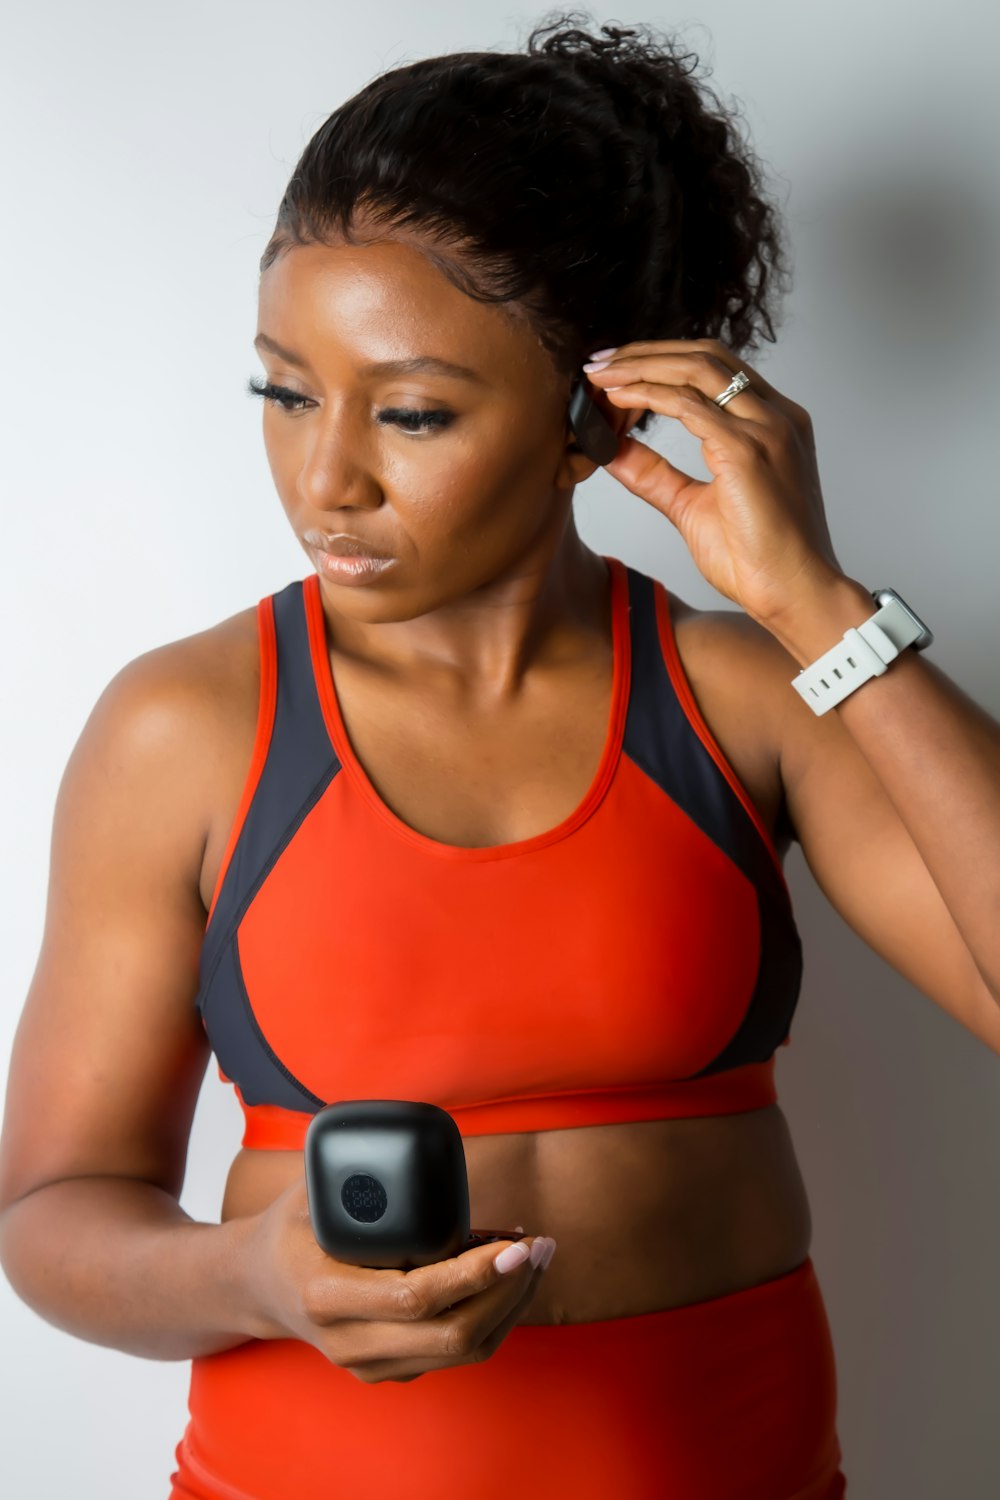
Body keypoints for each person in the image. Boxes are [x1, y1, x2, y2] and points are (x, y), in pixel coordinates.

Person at [4, 12, 1000, 1498]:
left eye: (410, 411)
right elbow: (52, 1211)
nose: (322, 476)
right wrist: (260, 1282)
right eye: (283, 390)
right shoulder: (187, 727)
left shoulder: (750, 696)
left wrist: (818, 605)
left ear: (592, 422)